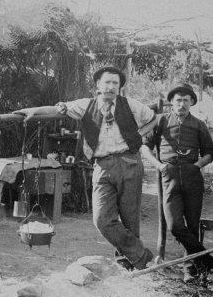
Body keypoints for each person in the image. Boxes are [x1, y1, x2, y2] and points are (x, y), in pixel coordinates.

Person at [14, 66, 157, 270]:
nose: (111, 86)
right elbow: (57, 109)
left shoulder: (130, 104)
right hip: (101, 165)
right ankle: (142, 257)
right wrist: (34, 111)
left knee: (130, 219)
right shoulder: (86, 105)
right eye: (107, 82)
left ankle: (127, 263)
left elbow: (153, 119)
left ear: (119, 87)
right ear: (98, 84)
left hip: (129, 163)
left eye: (115, 83)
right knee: (102, 220)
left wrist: (138, 135)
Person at [140, 82, 213, 283]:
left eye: (185, 100)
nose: (181, 104)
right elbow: (145, 147)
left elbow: (210, 152)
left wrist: (197, 166)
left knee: (192, 224)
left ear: (191, 102)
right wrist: (159, 166)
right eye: (178, 100)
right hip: (169, 175)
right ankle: (205, 259)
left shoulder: (199, 124)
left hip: (192, 176)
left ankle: (190, 269)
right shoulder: (161, 120)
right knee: (174, 225)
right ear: (172, 102)